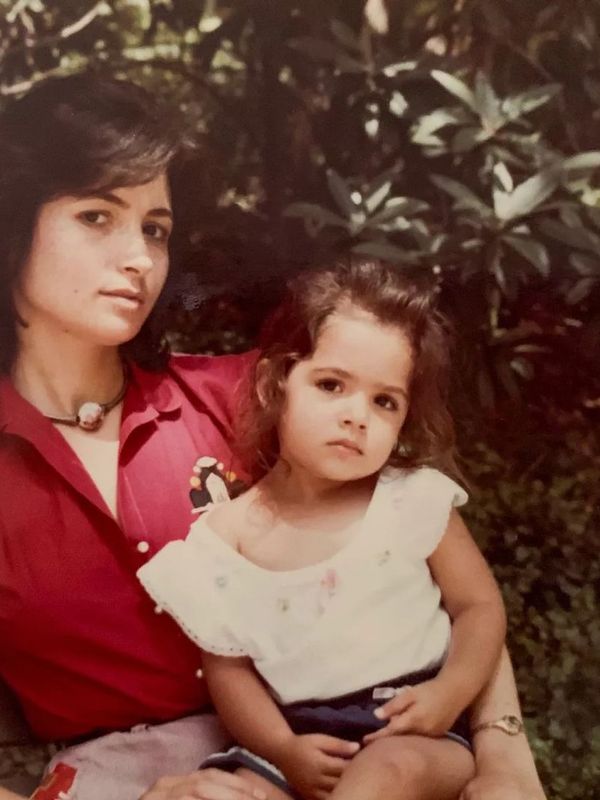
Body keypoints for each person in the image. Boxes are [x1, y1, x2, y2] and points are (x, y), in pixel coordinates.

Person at [0, 72, 546, 800]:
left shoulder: (252, 397)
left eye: (155, 228)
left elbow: (417, 550)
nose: (139, 258)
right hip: (115, 774)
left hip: (336, 749)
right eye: (97, 216)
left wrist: (504, 755)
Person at [137, 259, 506, 800]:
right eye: (331, 385)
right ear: (275, 385)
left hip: (413, 729)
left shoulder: (409, 500)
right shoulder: (224, 540)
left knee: (383, 774)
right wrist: (283, 748)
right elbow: (230, 674)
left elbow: (479, 606)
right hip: (297, 738)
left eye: (384, 401)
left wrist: (449, 694)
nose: (357, 416)